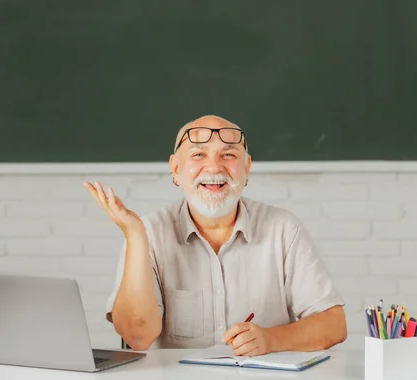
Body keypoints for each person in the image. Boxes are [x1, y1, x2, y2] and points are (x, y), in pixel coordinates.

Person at [83, 115, 347, 356]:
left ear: (247, 168)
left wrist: (272, 339)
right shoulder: (150, 232)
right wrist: (134, 235)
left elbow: (334, 325)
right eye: (198, 154)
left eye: (228, 155)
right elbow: (138, 337)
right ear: (175, 169)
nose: (214, 167)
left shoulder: (283, 229)